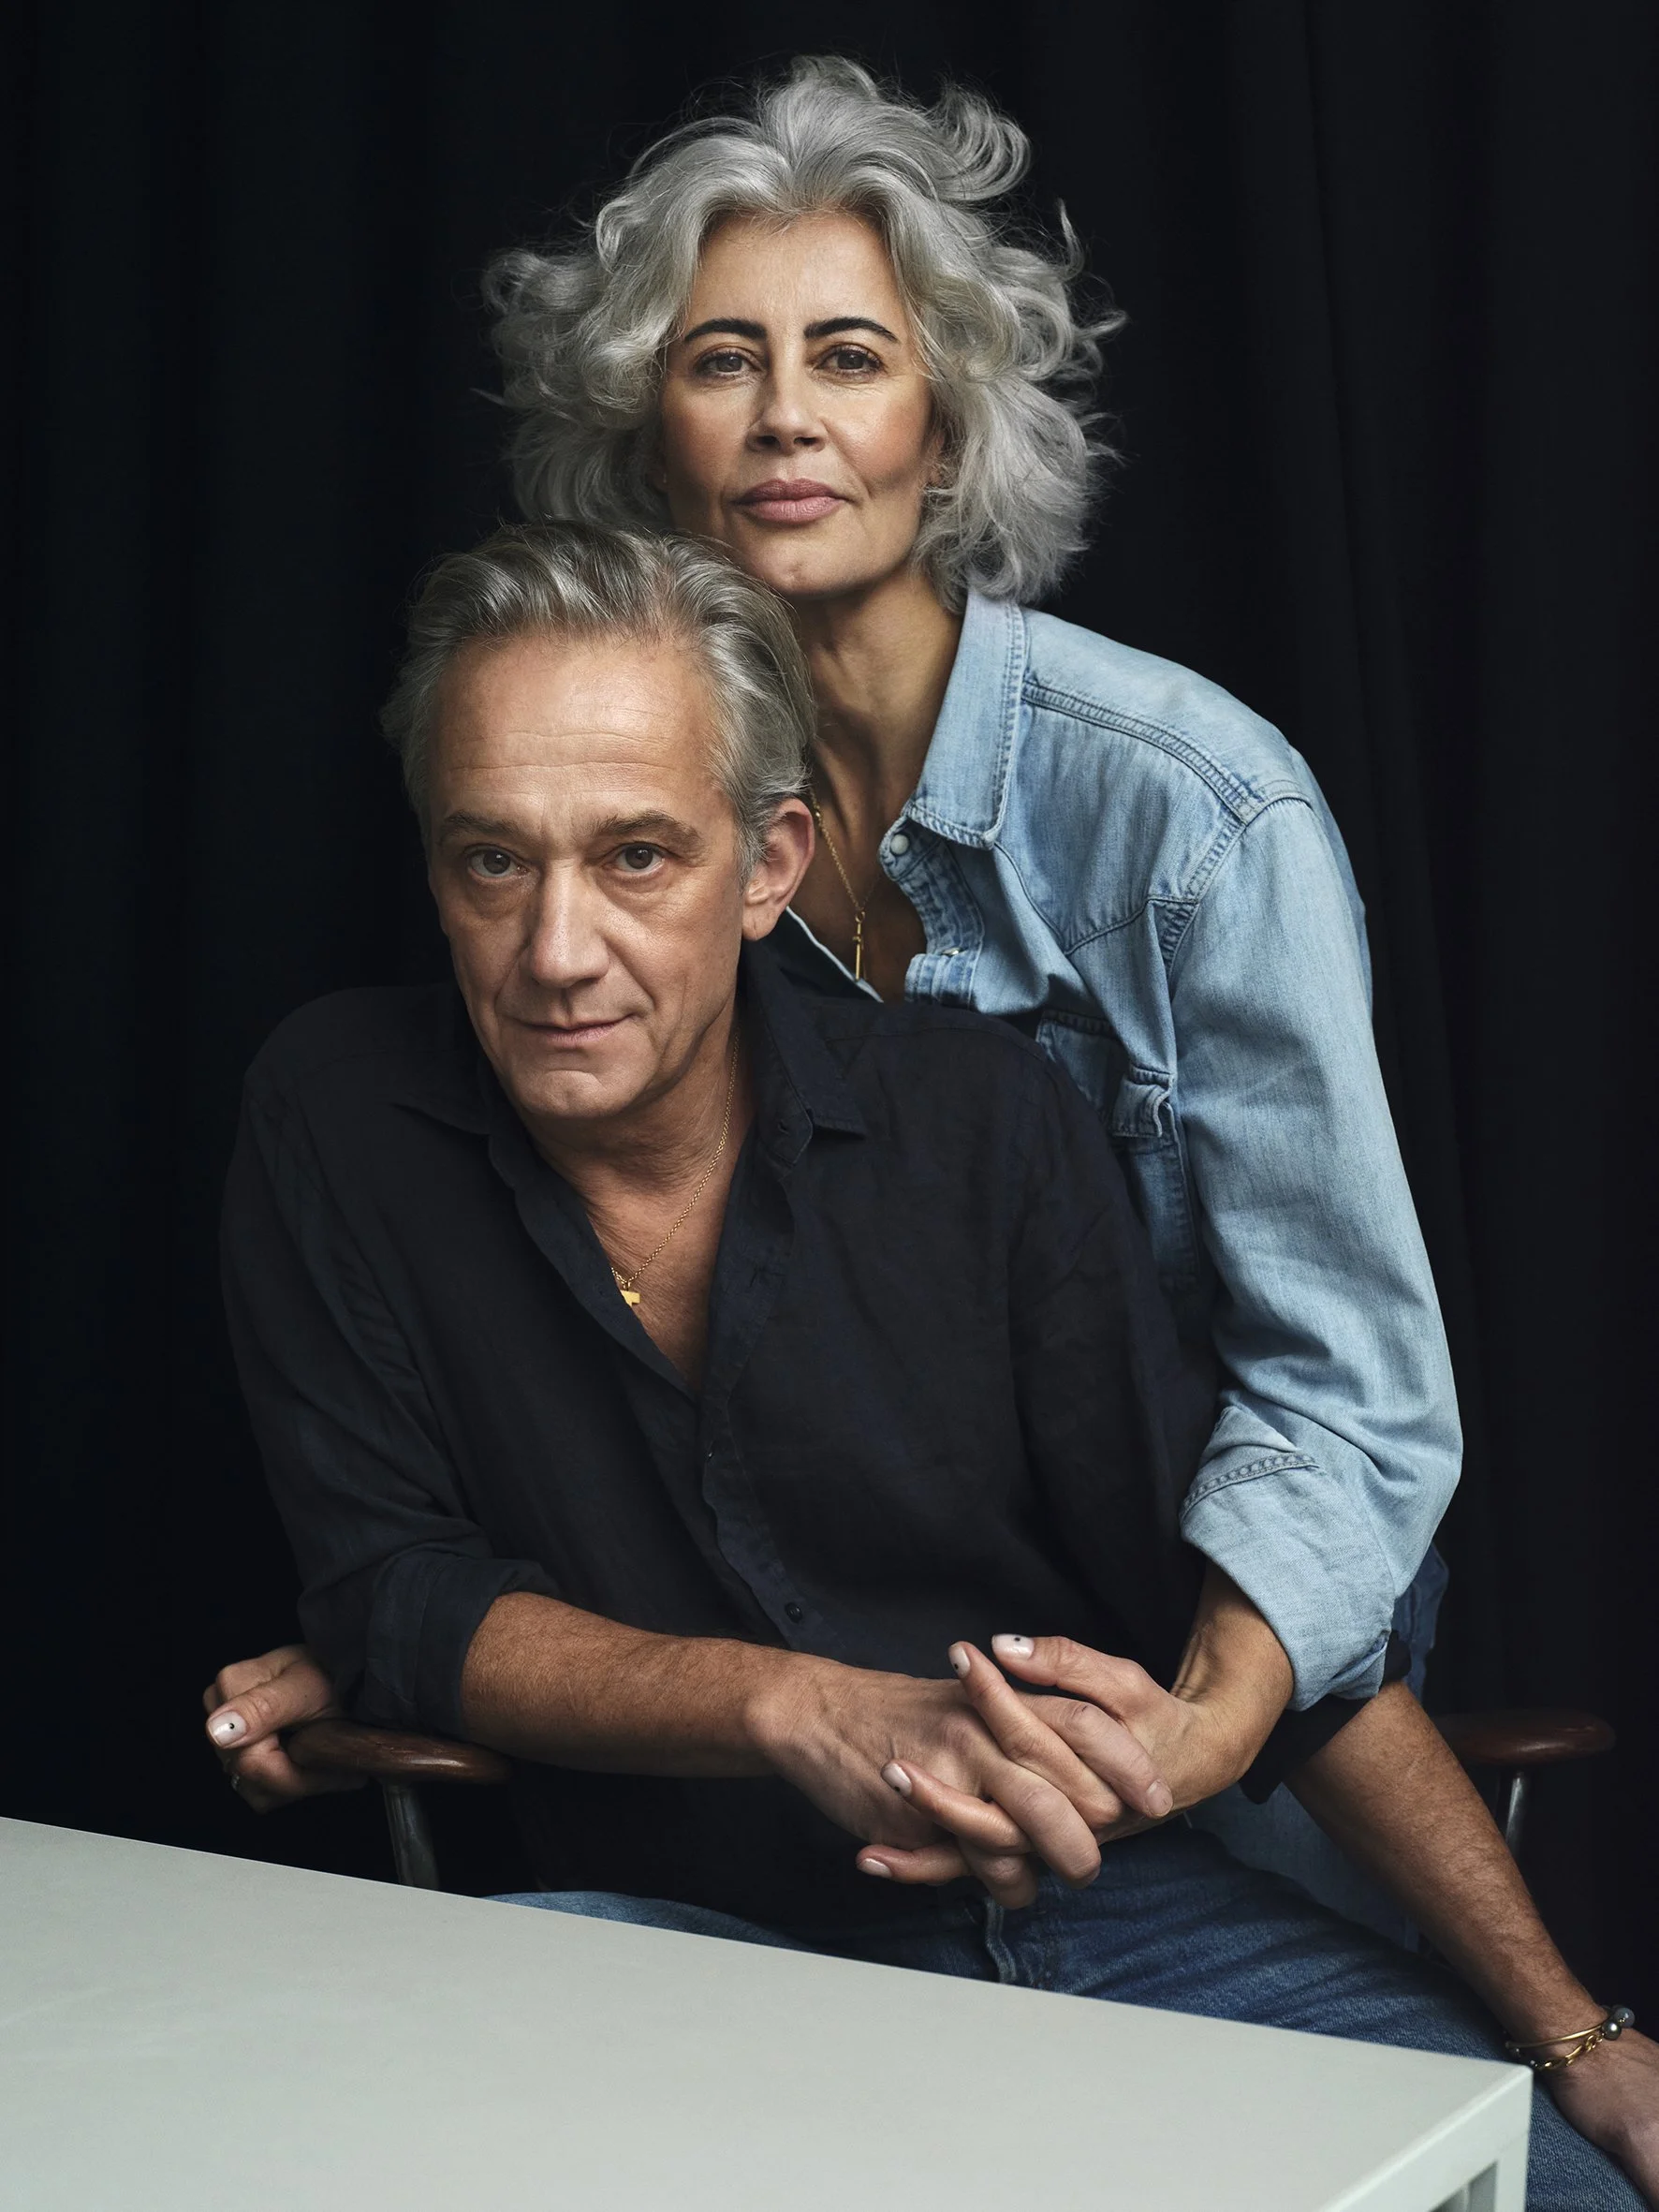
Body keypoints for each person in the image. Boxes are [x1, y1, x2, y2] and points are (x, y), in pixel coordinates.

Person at [219, 519, 1654, 2207]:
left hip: (1106, 1913)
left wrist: (1570, 2034)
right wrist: (791, 1707)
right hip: (672, 1947)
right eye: (491, 862)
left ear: (768, 864)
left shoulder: (978, 1129)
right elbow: (400, 1590)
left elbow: (1248, 1626)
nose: (553, 952)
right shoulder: (338, 1117)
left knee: (1561, 2186)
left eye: (634, 860)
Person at [209, 62, 1458, 1926]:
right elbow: (734, 1405)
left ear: (944, 435)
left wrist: (1197, 1723)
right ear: (647, 441)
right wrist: (423, 1639)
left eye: (851, 359)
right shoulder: (641, 818)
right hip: (845, 1693)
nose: (786, 416)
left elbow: (1353, 1410)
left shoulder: (1189, 809)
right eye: (721, 362)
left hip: (1239, 1637)